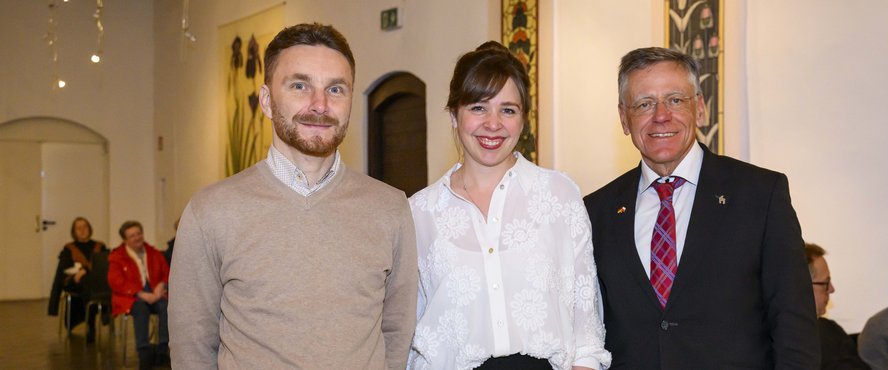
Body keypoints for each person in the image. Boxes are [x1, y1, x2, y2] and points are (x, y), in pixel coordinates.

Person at [168, 23, 418, 369]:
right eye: (300, 85)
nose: (320, 105)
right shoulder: (211, 211)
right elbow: (191, 345)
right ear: (267, 101)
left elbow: (397, 331)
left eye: (336, 89)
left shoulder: (390, 208)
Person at [583, 47, 818, 369]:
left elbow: (794, 323)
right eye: (644, 104)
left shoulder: (760, 195)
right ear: (624, 118)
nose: (661, 115)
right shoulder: (596, 211)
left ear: (701, 109)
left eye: (676, 100)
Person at [407, 41, 609, 370]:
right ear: (454, 115)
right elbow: (411, 330)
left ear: (523, 119)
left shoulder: (559, 195)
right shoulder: (420, 213)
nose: (493, 123)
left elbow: (586, 324)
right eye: (478, 108)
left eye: (508, 110)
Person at [108, 220, 170, 369]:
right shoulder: (117, 256)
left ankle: (163, 349)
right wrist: (141, 294)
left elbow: (167, 273)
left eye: (139, 233)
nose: (137, 237)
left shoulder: (153, 252)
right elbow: (116, 282)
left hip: (156, 292)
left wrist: (161, 286)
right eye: (132, 236)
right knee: (141, 308)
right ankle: (144, 352)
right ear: (125, 240)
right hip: (130, 296)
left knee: (166, 306)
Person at [805, 243, 868, 370]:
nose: (832, 289)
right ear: (803, 285)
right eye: (826, 283)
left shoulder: (830, 330)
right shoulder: (818, 334)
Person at [47, 217, 108, 343]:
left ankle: (91, 323)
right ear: (74, 231)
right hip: (73, 282)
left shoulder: (99, 246)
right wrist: (76, 274)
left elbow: (104, 265)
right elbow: (63, 271)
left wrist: (85, 270)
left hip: (93, 282)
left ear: (89, 229)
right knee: (86, 283)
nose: (82, 230)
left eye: (85, 226)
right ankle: (94, 321)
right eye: (78, 228)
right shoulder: (69, 248)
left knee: (89, 281)